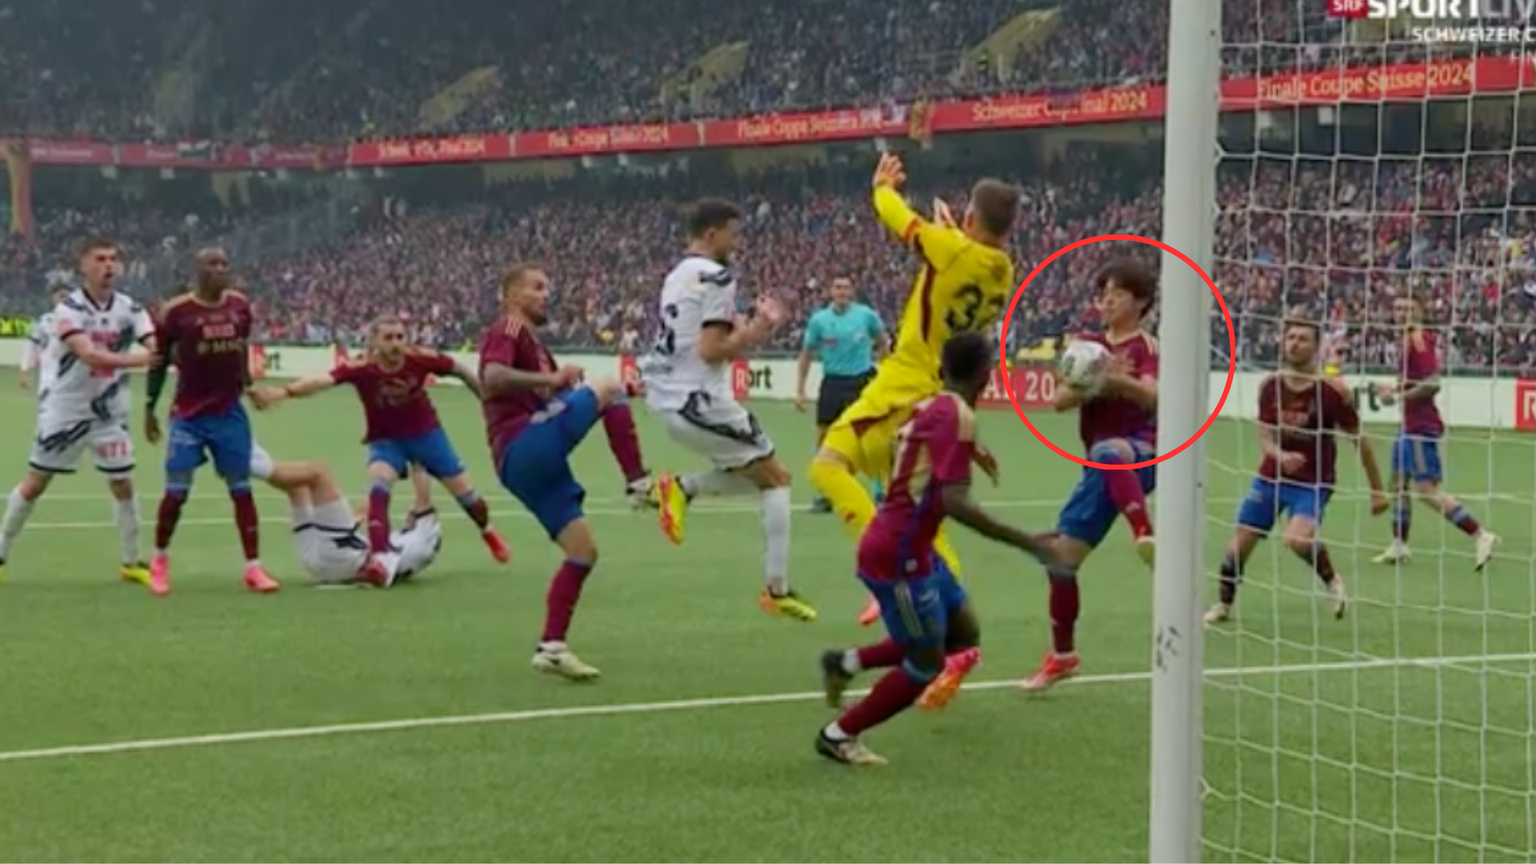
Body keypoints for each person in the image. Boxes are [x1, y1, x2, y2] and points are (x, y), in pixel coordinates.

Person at [814, 332, 1070, 766]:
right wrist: (1030, 543)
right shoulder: (956, 415)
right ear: (986, 373)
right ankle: (838, 734)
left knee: (962, 634)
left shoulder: (937, 405)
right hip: (899, 556)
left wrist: (970, 452)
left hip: (916, 547)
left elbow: (917, 445)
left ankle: (845, 663)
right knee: (926, 662)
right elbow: (956, 502)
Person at [808, 152, 1017, 628]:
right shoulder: (1003, 270)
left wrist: (882, 185)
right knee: (920, 506)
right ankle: (957, 620)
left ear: (970, 215)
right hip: (941, 395)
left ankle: (882, 565)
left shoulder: (951, 249)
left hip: (904, 385)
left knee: (828, 464)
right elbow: (960, 261)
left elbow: (895, 215)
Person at [642, 197, 815, 622]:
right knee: (777, 479)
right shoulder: (718, 276)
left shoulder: (677, 275)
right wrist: (761, 326)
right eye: (732, 235)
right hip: (699, 402)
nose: (736, 244)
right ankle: (776, 590)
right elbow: (712, 349)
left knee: (768, 478)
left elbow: (695, 336)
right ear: (712, 233)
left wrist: (745, 324)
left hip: (671, 398)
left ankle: (683, 489)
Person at [480, 263, 654, 680]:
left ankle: (552, 647)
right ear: (512, 295)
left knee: (583, 551)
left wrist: (560, 384)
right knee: (608, 386)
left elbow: (548, 401)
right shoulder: (509, 328)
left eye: (547, 287)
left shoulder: (537, 346)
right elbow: (492, 376)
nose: (547, 294)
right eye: (537, 287)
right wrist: (555, 378)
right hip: (522, 443)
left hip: (526, 463)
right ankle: (639, 483)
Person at [252, 313, 509, 584]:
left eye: (400, 337)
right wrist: (285, 392)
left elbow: (459, 369)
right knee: (378, 485)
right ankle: (381, 558)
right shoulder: (363, 369)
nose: (396, 344)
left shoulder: (419, 359)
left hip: (427, 436)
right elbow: (322, 381)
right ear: (374, 341)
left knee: (468, 498)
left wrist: (487, 399)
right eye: (388, 338)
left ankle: (487, 531)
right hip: (387, 441)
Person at [1021, 260, 1160, 693]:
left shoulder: (1148, 347)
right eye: (1103, 293)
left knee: (1109, 450)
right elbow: (1060, 400)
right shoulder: (1087, 345)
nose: (1107, 301)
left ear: (1140, 301)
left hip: (1144, 451)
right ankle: (1063, 656)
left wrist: (1119, 383)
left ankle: (1145, 534)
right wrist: (1093, 382)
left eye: (1117, 293)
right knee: (1060, 559)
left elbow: (1154, 397)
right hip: (1102, 467)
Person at [1207, 316, 1389, 623]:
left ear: (1317, 347)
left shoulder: (1332, 393)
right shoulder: (1270, 386)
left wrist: (1377, 491)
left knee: (1297, 539)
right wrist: (1280, 455)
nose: (1294, 343)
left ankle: (1332, 581)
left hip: (1313, 481)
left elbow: (1361, 441)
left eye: (1303, 339)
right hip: (1271, 477)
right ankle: (1223, 606)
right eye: (1290, 337)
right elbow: (1265, 436)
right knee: (1236, 549)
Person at [0, 240, 154, 585]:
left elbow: (153, 341)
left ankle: (131, 561)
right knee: (36, 483)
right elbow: (90, 355)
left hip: (109, 415)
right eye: (100, 259)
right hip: (65, 412)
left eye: (113, 259)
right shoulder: (68, 309)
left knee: (123, 484)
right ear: (83, 266)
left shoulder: (130, 307)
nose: (109, 265)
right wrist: (143, 359)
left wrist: (158, 350)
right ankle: (1, 553)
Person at [145, 247, 279, 595]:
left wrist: (248, 386)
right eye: (213, 264)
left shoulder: (239, 306)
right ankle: (159, 560)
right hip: (189, 415)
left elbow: (240, 348)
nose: (221, 269)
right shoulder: (175, 312)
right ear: (197, 270)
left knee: (241, 489)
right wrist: (149, 407)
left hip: (229, 414)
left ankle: (253, 567)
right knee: (177, 492)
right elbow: (158, 362)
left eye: (224, 263)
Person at [1371, 293, 1498, 569]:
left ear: (1420, 311)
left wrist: (1397, 396)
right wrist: (1392, 390)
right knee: (1398, 484)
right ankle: (1399, 545)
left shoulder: (1419, 341)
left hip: (1420, 428)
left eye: (1408, 308)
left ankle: (1480, 534)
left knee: (1426, 490)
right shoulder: (1407, 341)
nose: (1401, 313)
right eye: (1397, 308)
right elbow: (1416, 383)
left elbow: (1433, 383)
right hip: (1407, 426)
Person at [258, 454, 443, 588]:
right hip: (322, 563)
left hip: (341, 557)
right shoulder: (411, 551)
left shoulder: (424, 539)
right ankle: (251, 463)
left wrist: (416, 457)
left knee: (318, 474)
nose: (411, 511)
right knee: (298, 488)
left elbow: (423, 499)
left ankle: (250, 463)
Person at [794, 276, 887, 513]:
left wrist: (887, 376)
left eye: (846, 288)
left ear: (852, 292)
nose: (842, 292)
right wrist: (800, 389)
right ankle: (824, 493)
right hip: (833, 383)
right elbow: (806, 354)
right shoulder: (819, 321)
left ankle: (879, 492)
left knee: (870, 437)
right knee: (824, 437)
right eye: (837, 287)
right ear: (830, 291)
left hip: (861, 381)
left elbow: (883, 342)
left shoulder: (866, 316)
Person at [16, 283, 71, 392]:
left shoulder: (79, 321)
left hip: (70, 379)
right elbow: (31, 346)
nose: (65, 300)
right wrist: (24, 369)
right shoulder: (44, 321)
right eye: (61, 296)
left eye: (68, 297)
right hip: (48, 378)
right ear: (52, 298)